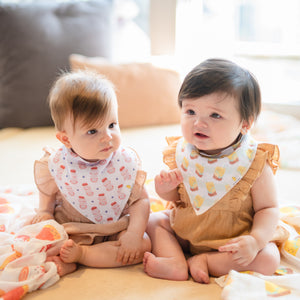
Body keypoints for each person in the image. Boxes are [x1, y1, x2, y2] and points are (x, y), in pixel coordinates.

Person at [143, 58, 286, 284]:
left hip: (233, 243)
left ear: (245, 124)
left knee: (268, 258)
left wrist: (255, 241)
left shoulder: (254, 161)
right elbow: (180, 198)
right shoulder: (182, 152)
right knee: (153, 221)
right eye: (190, 111)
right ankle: (174, 261)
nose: (199, 123)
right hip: (186, 231)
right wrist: (165, 190)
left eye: (215, 115)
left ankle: (207, 262)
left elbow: (268, 208)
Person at [31, 70, 151, 276]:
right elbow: (47, 190)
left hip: (114, 228)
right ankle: (70, 256)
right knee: (43, 241)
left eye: (112, 125)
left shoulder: (125, 163)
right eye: (93, 131)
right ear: (66, 140)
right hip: (73, 228)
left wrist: (133, 233)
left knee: (143, 244)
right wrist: (45, 211)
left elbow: (142, 201)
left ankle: (83, 255)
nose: (108, 137)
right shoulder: (58, 164)